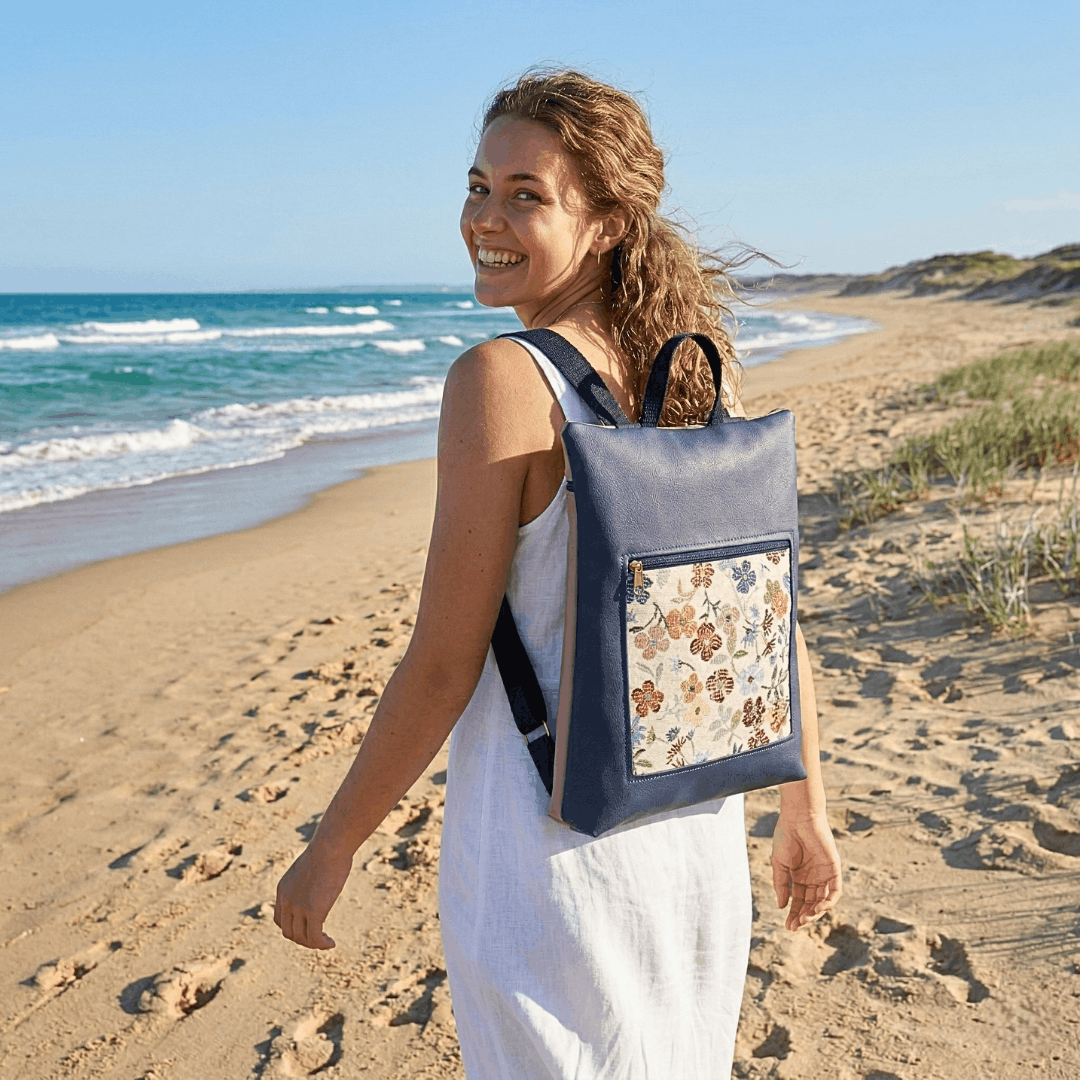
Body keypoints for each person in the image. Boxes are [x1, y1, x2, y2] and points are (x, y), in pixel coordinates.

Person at [275, 69, 842, 1078]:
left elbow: (444, 665)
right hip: (694, 846)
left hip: (552, 856)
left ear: (610, 223)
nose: (484, 219)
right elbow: (764, 612)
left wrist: (334, 846)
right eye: (477, 185)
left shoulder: (502, 378)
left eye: (526, 195)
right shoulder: (684, 371)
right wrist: (806, 809)